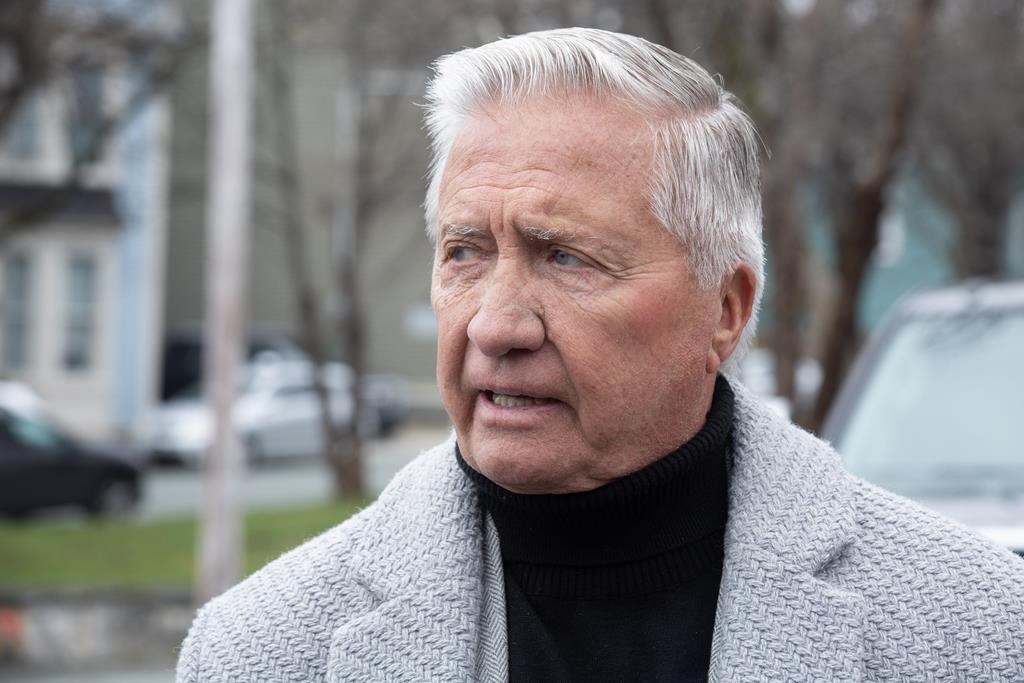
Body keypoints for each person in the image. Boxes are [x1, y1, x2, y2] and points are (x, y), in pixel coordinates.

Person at [176, 28, 1024, 682]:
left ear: (725, 311)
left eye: (566, 257)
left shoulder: (975, 630)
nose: (496, 325)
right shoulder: (261, 648)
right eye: (466, 252)